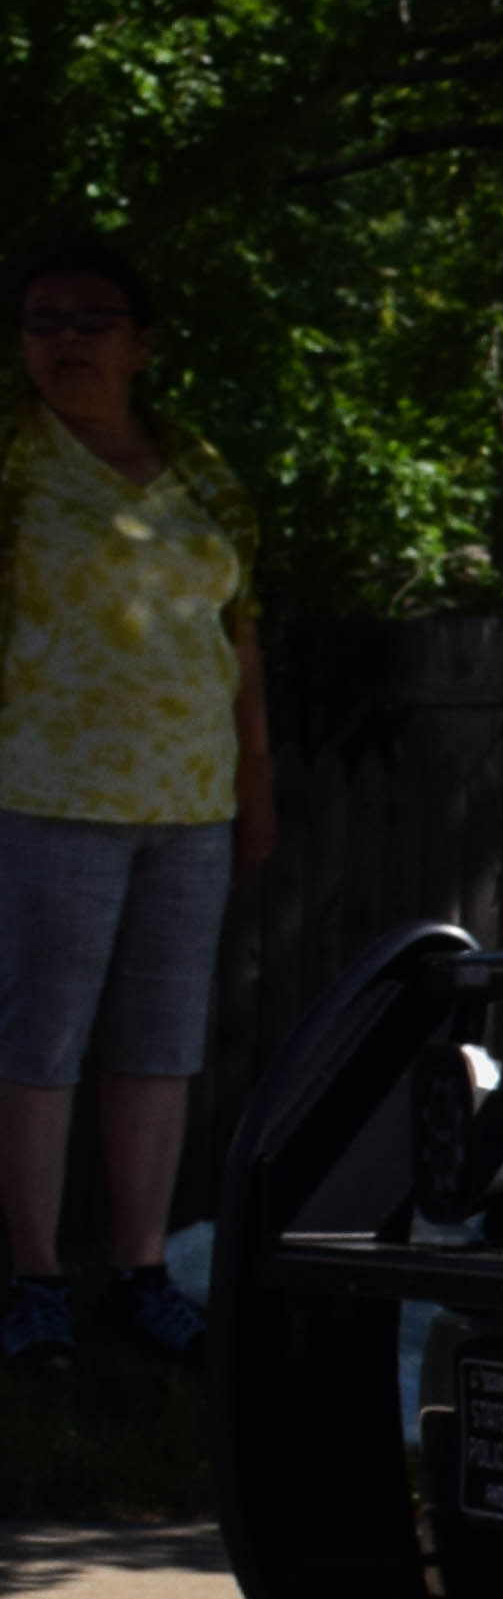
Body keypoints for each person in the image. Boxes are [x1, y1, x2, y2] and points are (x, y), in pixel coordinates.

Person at [2, 237, 270, 1364]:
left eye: (92, 320)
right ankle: (33, 1285)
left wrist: (257, 799)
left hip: (189, 808)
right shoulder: (13, 467)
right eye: (45, 322)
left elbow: (242, 647)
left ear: (142, 346)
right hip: (47, 792)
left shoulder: (201, 470)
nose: (67, 341)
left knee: (159, 1045)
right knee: (39, 1042)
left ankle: (145, 1274)